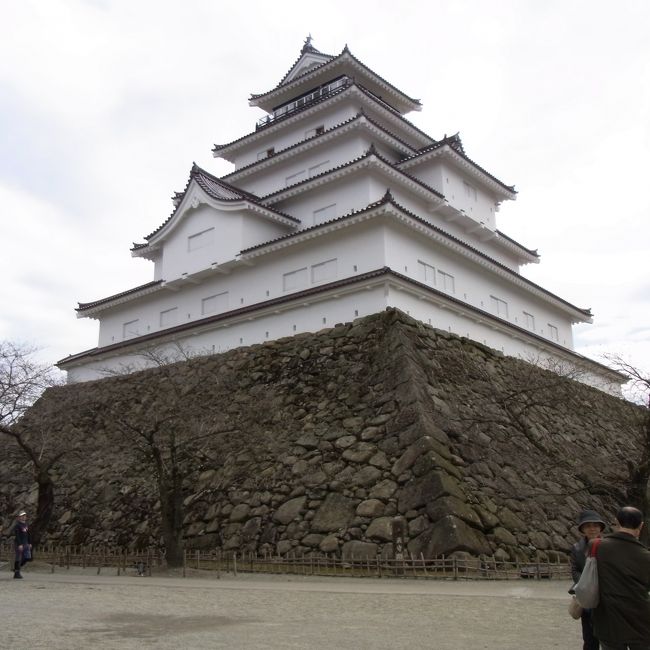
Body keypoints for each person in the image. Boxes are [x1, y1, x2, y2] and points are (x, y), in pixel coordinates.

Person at [592, 506, 650, 650]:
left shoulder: (596, 546)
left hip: (608, 617)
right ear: (641, 525)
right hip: (640, 620)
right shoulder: (646, 556)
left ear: (617, 522)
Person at [571, 509, 606, 650]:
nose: (592, 528)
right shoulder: (577, 548)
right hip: (586, 598)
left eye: (595, 525)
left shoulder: (609, 545)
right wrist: (585, 585)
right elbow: (575, 570)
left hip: (606, 596)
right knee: (589, 637)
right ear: (582, 529)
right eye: (588, 526)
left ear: (601, 528)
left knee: (608, 637)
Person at [12, 510, 32, 579]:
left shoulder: (26, 525)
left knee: (27, 557)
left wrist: (29, 543)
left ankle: (16, 568)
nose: (24, 517)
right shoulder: (17, 526)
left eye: (24, 516)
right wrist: (19, 544)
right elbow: (17, 535)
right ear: (19, 517)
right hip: (19, 543)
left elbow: (28, 534)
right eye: (22, 516)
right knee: (18, 557)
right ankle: (17, 573)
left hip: (26, 543)